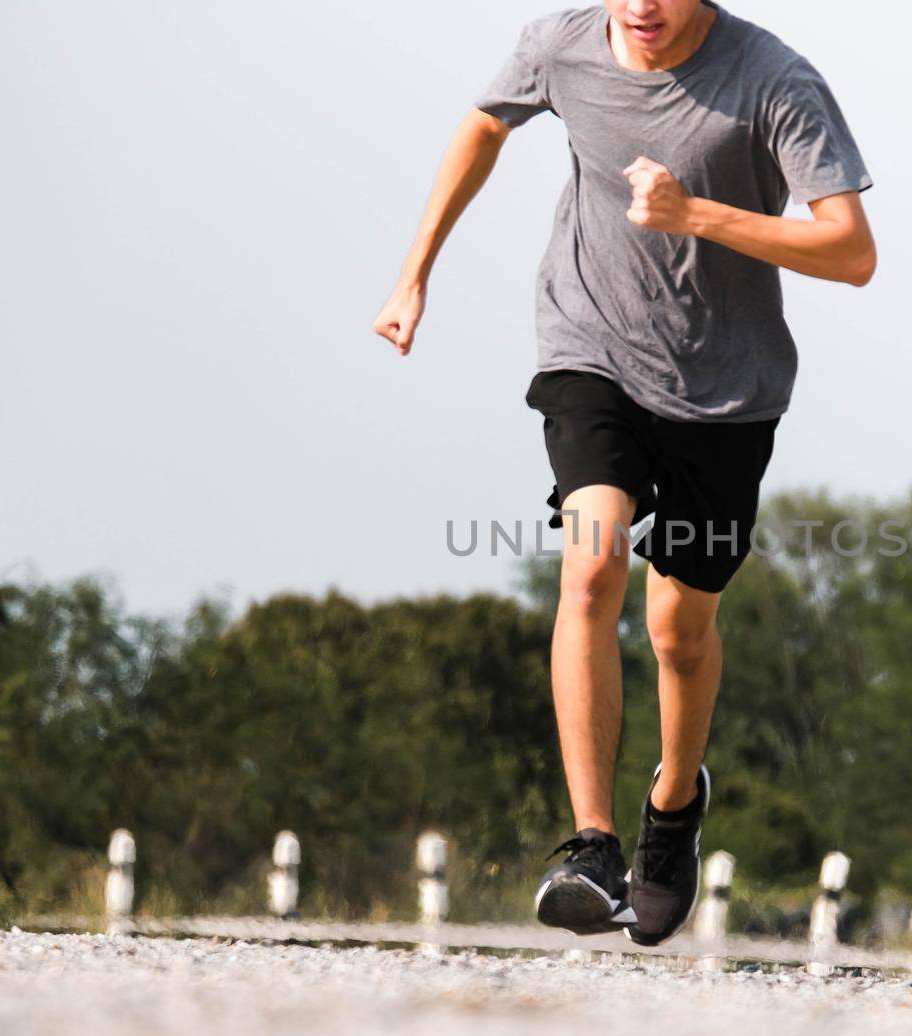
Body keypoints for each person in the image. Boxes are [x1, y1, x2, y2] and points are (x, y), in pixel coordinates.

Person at [372, 0, 875, 945]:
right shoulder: (561, 43)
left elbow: (852, 251)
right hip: (589, 347)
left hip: (726, 392)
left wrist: (697, 214)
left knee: (679, 630)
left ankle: (674, 804)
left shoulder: (772, 80)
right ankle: (591, 845)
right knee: (592, 564)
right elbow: (484, 123)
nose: (642, 6)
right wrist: (415, 270)